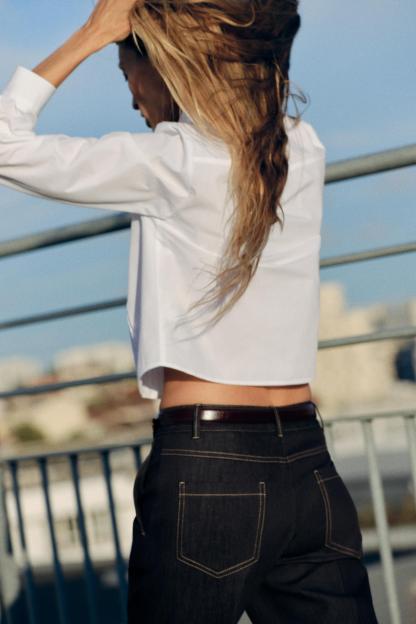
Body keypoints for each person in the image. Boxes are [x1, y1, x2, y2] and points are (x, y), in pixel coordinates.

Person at [0, 1, 379, 622]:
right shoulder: (301, 147)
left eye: (127, 75)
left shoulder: (168, 160)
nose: (131, 100)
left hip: (209, 466)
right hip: (309, 462)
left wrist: (92, 34)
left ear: (165, 69)